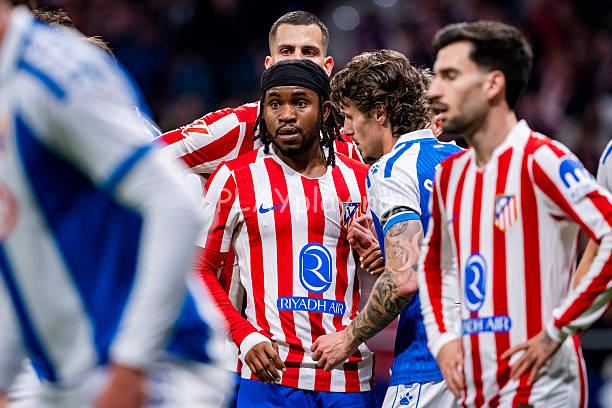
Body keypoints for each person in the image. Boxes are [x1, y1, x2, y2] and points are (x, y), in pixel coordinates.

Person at [0, 3, 231, 407]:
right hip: (69, 374)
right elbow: (21, 255)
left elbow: (176, 205)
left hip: (159, 366)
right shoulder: (11, 91)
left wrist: (130, 366)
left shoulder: (54, 71)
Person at [420, 20, 612, 407]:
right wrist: (443, 341)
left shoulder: (542, 158)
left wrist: (557, 329)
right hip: (475, 388)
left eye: (450, 76)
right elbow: (434, 264)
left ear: (493, 84)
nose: (434, 91)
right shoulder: (449, 175)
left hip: (541, 387)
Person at [197, 59, 375, 407]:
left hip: (347, 377)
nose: (286, 114)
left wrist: (378, 258)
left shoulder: (361, 180)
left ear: (325, 111)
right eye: (275, 104)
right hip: (269, 376)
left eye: (300, 102)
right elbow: (197, 269)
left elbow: (390, 272)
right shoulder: (235, 178)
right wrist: (244, 335)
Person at [310, 50, 462, 407]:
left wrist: (347, 337)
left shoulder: (391, 170)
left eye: (350, 116)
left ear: (380, 112)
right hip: (492, 363)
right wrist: (386, 254)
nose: (345, 130)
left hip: (429, 364)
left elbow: (403, 280)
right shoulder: (463, 161)